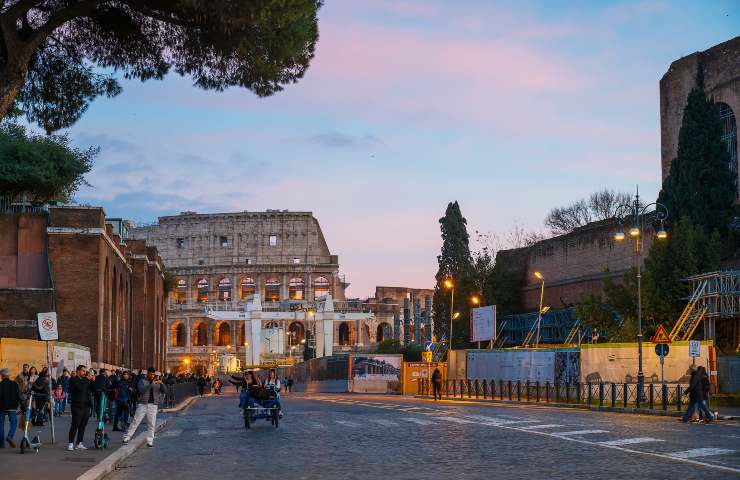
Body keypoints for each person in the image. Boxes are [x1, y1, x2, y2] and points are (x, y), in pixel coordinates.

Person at [123, 367, 166, 448]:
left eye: (153, 374)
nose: (152, 375)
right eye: (150, 374)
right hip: (143, 404)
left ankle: (150, 441)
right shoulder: (142, 381)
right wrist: (151, 385)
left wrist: (162, 383)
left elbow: (164, 391)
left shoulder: (157, 382)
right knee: (136, 421)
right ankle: (127, 437)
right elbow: (141, 390)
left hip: (153, 405)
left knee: (151, 424)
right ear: (147, 374)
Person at [68, 365, 93, 451]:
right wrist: (87, 379)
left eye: (85, 371)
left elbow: (91, 389)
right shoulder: (74, 379)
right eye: (83, 371)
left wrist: (93, 381)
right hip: (77, 406)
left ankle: (79, 443)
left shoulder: (86, 380)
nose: (85, 373)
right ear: (78, 371)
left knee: (83, 425)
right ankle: (70, 443)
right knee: (75, 424)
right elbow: (80, 388)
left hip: (86, 406)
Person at [0, 368, 21, 448]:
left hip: (1, 407)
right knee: (14, 423)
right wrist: (22, 406)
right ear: (8, 375)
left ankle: (1, 443)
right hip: (12, 406)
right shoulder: (14, 384)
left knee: (1, 424)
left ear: (2, 376)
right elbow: (19, 395)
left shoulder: (0, 385)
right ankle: (10, 436)